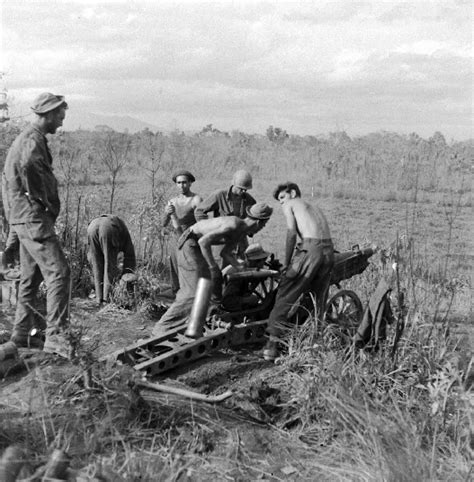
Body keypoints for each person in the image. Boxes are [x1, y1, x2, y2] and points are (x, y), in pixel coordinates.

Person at [2, 92, 71, 356]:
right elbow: (31, 168)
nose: (61, 123)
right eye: (60, 117)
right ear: (49, 114)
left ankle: (20, 335)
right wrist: (43, 202)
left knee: (31, 278)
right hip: (33, 219)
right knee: (59, 272)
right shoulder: (31, 142)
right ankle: (57, 337)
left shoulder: (29, 139)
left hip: (23, 218)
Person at [152, 202, 273, 335]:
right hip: (189, 244)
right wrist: (213, 266)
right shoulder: (234, 225)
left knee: (214, 283)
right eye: (264, 225)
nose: (262, 228)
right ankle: (161, 329)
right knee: (192, 292)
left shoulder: (240, 232)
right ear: (259, 223)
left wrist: (240, 267)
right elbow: (203, 242)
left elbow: (225, 253)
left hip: (196, 247)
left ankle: (208, 317)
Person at [264, 182, 334, 362]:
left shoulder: (291, 204)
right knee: (318, 297)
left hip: (311, 249)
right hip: (328, 250)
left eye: (282, 197)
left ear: (292, 193)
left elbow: (291, 233)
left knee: (286, 291)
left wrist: (287, 264)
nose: (281, 203)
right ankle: (313, 342)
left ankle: (272, 346)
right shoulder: (314, 207)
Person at [194, 169, 256, 264]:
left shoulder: (250, 200)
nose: (243, 191)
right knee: (220, 273)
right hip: (221, 244)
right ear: (233, 184)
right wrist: (208, 228)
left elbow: (253, 221)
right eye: (240, 188)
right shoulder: (219, 195)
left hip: (241, 246)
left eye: (246, 189)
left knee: (241, 273)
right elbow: (199, 211)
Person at [163, 170, 202, 294]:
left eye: (184, 182)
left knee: (191, 268)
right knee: (175, 266)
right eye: (179, 183)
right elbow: (163, 224)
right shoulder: (172, 201)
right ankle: (177, 294)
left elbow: (202, 223)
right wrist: (167, 213)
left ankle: (192, 294)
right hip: (176, 238)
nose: (181, 185)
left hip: (191, 238)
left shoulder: (196, 199)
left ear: (190, 183)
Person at [87, 214, 136, 304]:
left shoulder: (122, 229)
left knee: (97, 265)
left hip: (92, 226)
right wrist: (126, 277)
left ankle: (99, 298)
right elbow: (130, 258)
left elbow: (91, 259)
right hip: (108, 228)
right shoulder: (125, 235)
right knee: (109, 265)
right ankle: (107, 300)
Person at [221, 243, 271, 312]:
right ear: (255, 261)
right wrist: (246, 300)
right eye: (263, 260)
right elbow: (227, 301)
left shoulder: (249, 268)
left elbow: (258, 277)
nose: (263, 263)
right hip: (226, 308)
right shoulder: (239, 275)